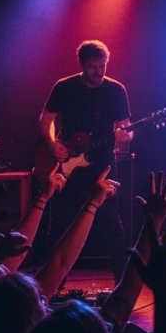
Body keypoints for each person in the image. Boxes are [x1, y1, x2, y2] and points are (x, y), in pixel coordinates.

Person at [36, 40, 132, 277]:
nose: (99, 72)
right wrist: (52, 144)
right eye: (93, 67)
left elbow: (127, 128)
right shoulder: (65, 87)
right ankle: (52, 284)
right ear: (81, 64)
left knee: (112, 225)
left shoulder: (116, 90)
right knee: (61, 224)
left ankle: (121, 285)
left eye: (103, 66)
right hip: (69, 166)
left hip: (102, 167)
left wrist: (125, 136)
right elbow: (46, 119)